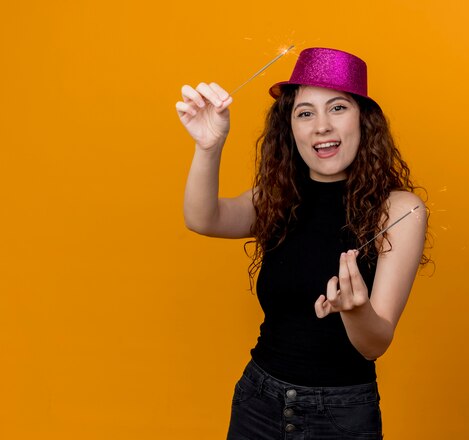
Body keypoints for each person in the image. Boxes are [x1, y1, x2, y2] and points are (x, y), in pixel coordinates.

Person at [176, 47, 428, 439]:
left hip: (340, 416)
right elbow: (202, 219)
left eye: (338, 108)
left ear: (364, 119)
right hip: (257, 402)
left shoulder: (399, 210)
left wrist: (355, 311)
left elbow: (373, 346)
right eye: (305, 112)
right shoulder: (278, 196)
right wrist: (208, 148)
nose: (321, 125)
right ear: (290, 128)